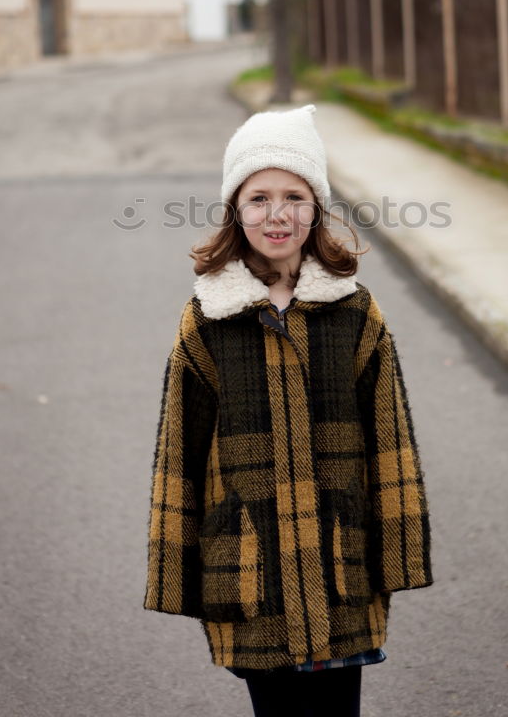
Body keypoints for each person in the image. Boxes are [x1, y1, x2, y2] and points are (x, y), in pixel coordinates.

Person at [143, 103, 433, 717]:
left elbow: (392, 446)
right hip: (251, 573)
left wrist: (397, 556)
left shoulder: (355, 313)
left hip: (339, 569)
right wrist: (177, 574)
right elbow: (180, 456)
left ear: (317, 208)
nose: (278, 214)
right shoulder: (207, 319)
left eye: (295, 196)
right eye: (259, 197)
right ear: (235, 210)